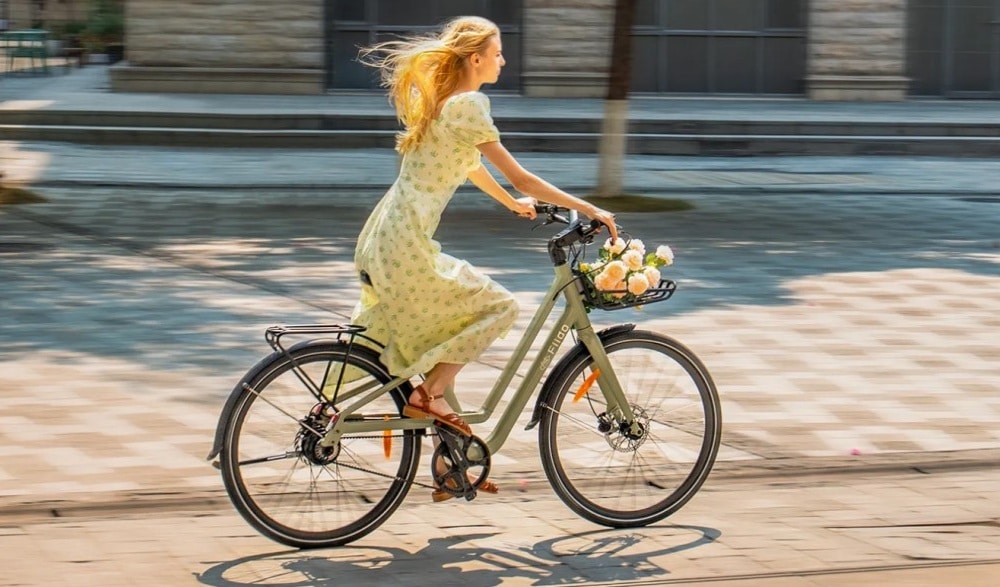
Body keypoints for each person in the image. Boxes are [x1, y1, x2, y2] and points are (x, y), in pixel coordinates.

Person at [353, 15, 617, 500]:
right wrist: (588, 206)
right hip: (406, 244)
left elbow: (471, 166)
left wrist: (511, 205)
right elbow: (523, 177)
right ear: (475, 58)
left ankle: (451, 461)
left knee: (447, 330)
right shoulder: (470, 104)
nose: (503, 59)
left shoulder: (443, 104)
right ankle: (426, 398)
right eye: (497, 52)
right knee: (500, 307)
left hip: (385, 237)